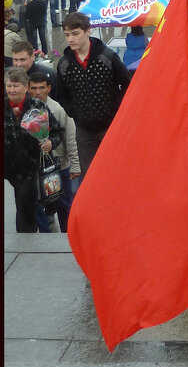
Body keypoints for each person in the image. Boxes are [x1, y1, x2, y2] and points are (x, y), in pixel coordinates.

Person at [54, 12, 132, 174]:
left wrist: (116, 108)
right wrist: (74, 111)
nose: (70, 39)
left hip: (110, 126)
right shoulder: (64, 64)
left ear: (88, 31)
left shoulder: (107, 57)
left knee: (116, 171)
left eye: (75, 34)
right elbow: (61, 94)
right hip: (84, 130)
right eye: (67, 35)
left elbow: (127, 84)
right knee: (89, 175)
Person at [5, 66, 63, 233]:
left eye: (15, 85)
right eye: (9, 85)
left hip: (28, 166)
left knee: (25, 205)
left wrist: (51, 143)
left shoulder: (37, 107)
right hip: (7, 163)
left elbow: (58, 132)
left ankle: (25, 243)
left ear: (26, 87)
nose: (11, 89)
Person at [27, 69, 79, 232]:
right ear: (28, 89)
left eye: (41, 88)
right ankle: (45, 235)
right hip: (35, 167)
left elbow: (70, 137)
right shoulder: (25, 108)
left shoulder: (58, 109)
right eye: (34, 88)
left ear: (49, 88)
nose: (38, 92)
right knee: (36, 205)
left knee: (63, 204)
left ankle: (67, 235)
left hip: (59, 166)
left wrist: (75, 165)